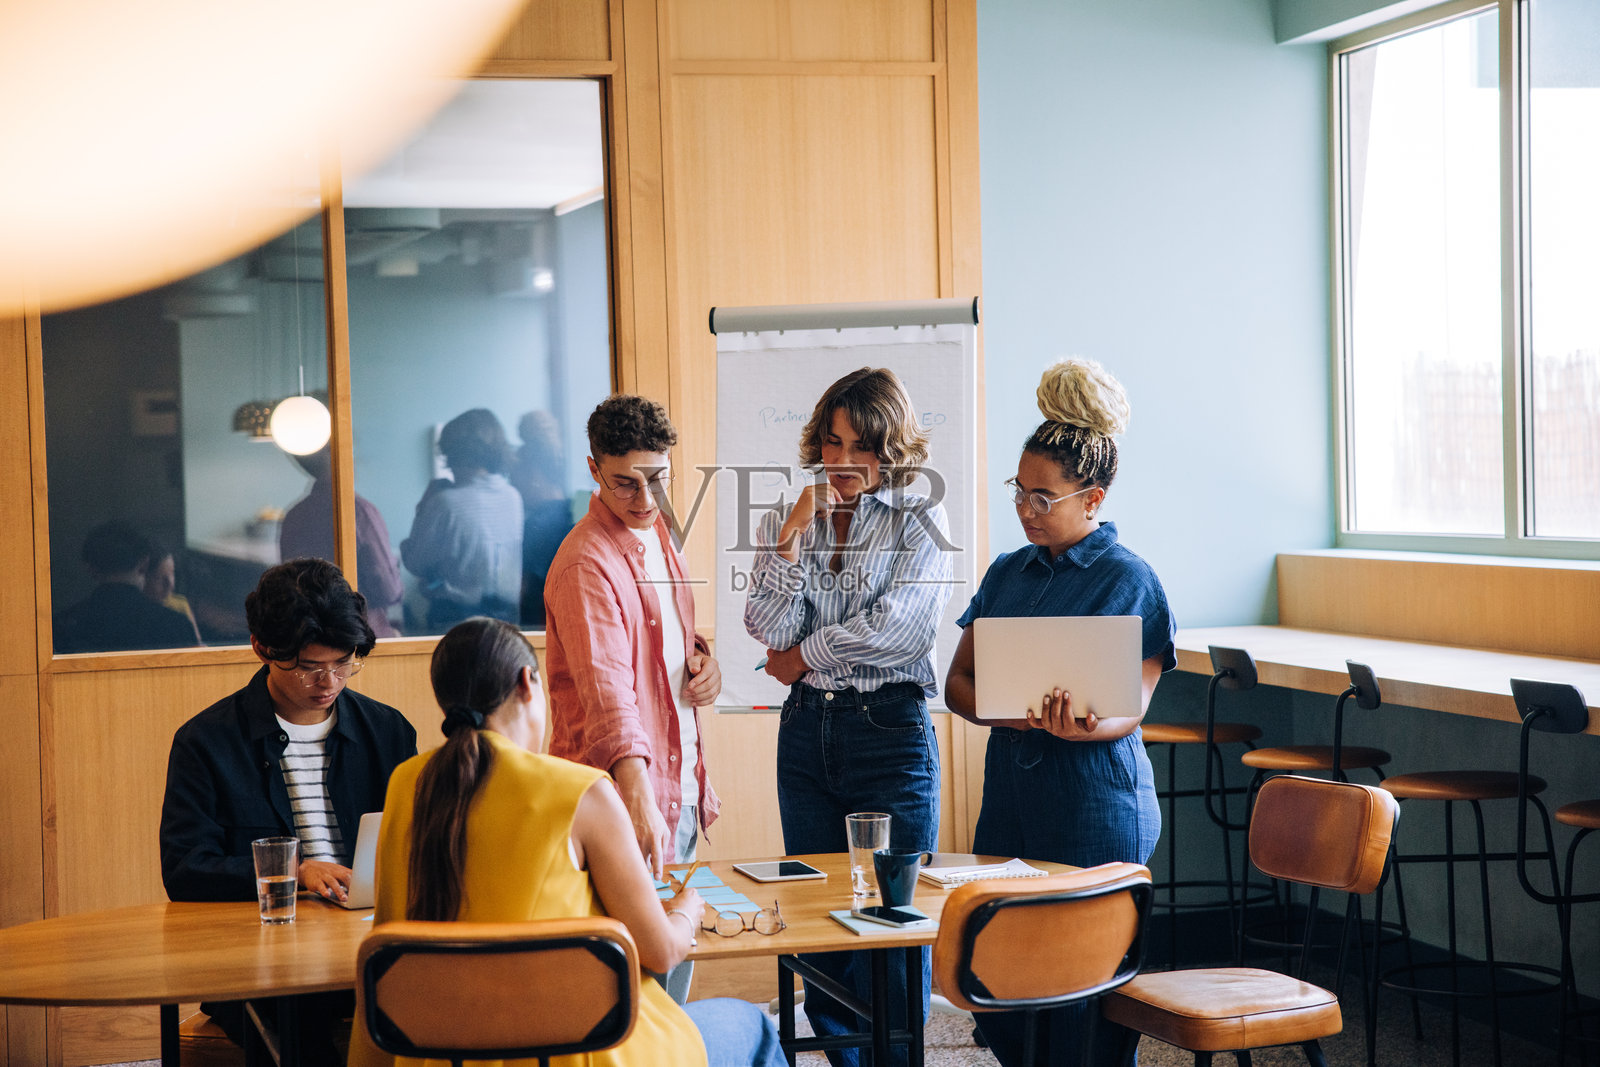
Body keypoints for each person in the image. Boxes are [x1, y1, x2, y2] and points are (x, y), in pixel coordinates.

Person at [348, 617, 784, 1067]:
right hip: (572, 1053)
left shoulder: (406, 784)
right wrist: (686, 912)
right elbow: (660, 952)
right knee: (754, 1025)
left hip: (439, 1053)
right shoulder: (581, 790)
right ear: (527, 682)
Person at [944, 358, 1175, 1067]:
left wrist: (1083, 724)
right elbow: (957, 683)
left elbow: (1131, 705)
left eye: (1043, 497)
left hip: (1097, 800)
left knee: (1083, 993)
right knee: (1002, 976)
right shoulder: (1007, 573)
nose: (1024, 508)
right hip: (1014, 792)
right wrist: (1011, 713)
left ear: (1093, 498)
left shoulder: (1130, 577)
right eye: (1020, 490)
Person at [743, 367, 953, 1067]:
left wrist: (804, 653)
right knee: (817, 919)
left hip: (888, 733)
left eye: (860, 446)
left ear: (890, 447)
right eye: (831, 441)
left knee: (889, 923)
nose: (840, 461)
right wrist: (789, 542)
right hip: (806, 732)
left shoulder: (922, 516)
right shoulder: (790, 512)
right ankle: (844, 1060)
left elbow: (902, 630)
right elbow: (762, 620)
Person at [160, 558, 418, 1062]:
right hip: (260, 960)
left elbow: (419, 844)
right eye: (306, 667)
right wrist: (296, 872)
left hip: (368, 942)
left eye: (342, 663)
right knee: (295, 1016)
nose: (328, 681)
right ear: (262, 648)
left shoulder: (387, 732)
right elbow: (186, 868)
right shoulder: (206, 742)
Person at [543, 394, 721, 1004]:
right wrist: (638, 802)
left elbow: (666, 637)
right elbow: (608, 696)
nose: (645, 501)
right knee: (629, 993)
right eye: (625, 484)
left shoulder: (659, 535)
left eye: (657, 480)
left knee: (670, 986)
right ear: (593, 470)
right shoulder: (586, 562)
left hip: (676, 785)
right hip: (621, 798)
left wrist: (702, 662)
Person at [401, 408, 523, 631]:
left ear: (451, 453)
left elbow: (415, 562)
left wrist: (423, 507)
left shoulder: (445, 503)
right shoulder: (513, 497)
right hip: (508, 621)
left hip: (453, 621)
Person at [280, 445, 405, 638]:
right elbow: (388, 590)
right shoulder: (360, 512)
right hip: (360, 634)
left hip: (307, 636)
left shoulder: (294, 516)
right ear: (337, 453)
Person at [54, 520, 198, 653]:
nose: (170, 585)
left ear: (90, 569)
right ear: (144, 565)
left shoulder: (63, 625)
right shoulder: (175, 624)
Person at [141, 539, 204, 644]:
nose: (170, 585)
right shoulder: (140, 614)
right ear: (142, 578)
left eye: (172, 574)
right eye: (159, 578)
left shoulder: (180, 605)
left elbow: (197, 645)